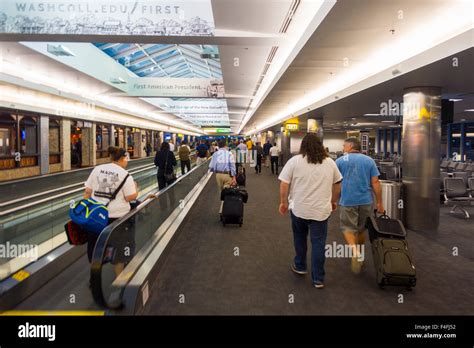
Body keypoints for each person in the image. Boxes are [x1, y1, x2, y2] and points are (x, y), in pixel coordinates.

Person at [279, 134, 342, 289]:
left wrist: (283, 202)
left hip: (299, 208)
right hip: (321, 210)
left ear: (303, 145)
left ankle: (300, 266)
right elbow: (338, 185)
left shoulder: (294, 161)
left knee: (299, 237)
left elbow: (284, 184)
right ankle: (318, 279)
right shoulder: (330, 163)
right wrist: (333, 201)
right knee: (319, 243)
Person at [83, 146, 138, 276]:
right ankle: (120, 282)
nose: (127, 161)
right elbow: (130, 197)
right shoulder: (125, 175)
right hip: (117, 220)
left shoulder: (97, 169)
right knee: (119, 252)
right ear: (123, 158)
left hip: (96, 218)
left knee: (96, 249)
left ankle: (94, 280)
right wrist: (136, 189)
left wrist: (86, 210)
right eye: (127, 158)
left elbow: (87, 192)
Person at [335, 137, 384, 274]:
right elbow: (375, 183)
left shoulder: (339, 161)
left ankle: (355, 252)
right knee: (362, 229)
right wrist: (380, 202)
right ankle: (360, 253)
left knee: (348, 228)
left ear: (350, 146)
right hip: (366, 201)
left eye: (344, 146)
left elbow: (336, 183)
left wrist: (333, 200)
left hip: (348, 200)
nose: (343, 148)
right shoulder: (369, 161)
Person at [209, 139, 237, 214]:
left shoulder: (215, 154)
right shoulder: (229, 153)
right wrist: (234, 177)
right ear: (226, 145)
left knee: (221, 191)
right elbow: (232, 166)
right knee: (227, 191)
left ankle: (222, 206)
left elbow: (211, 166)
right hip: (227, 175)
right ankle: (223, 208)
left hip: (218, 175)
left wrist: (215, 170)